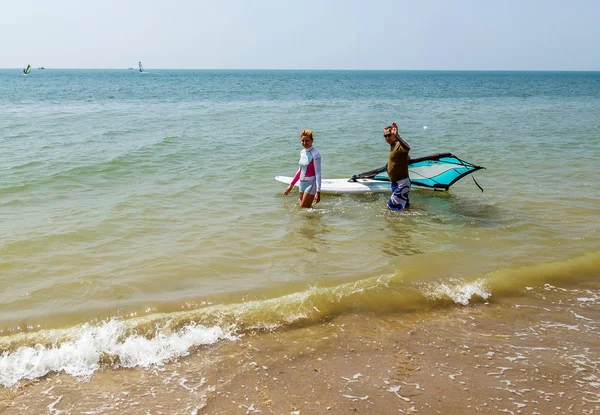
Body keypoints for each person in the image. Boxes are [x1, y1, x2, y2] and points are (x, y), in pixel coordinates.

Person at [284, 129, 322, 208]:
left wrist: (318, 192)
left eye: (307, 140)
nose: (305, 143)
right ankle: (316, 219)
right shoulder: (302, 152)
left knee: (302, 209)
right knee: (306, 210)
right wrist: (291, 185)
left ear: (312, 140)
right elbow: (300, 170)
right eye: (303, 140)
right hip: (302, 184)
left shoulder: (315, 154)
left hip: (311, 184)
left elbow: (318, 174)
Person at [384, 122, 411, 210]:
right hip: (396, 183)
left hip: (401, 183)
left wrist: (397, 136)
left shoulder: (399, 145)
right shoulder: (392, 146)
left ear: (394, 135)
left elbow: (408, 148)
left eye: (389, 135)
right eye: (385, 136)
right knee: (405, 208)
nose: (387, 138)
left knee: (389, 208)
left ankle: (392, 223)